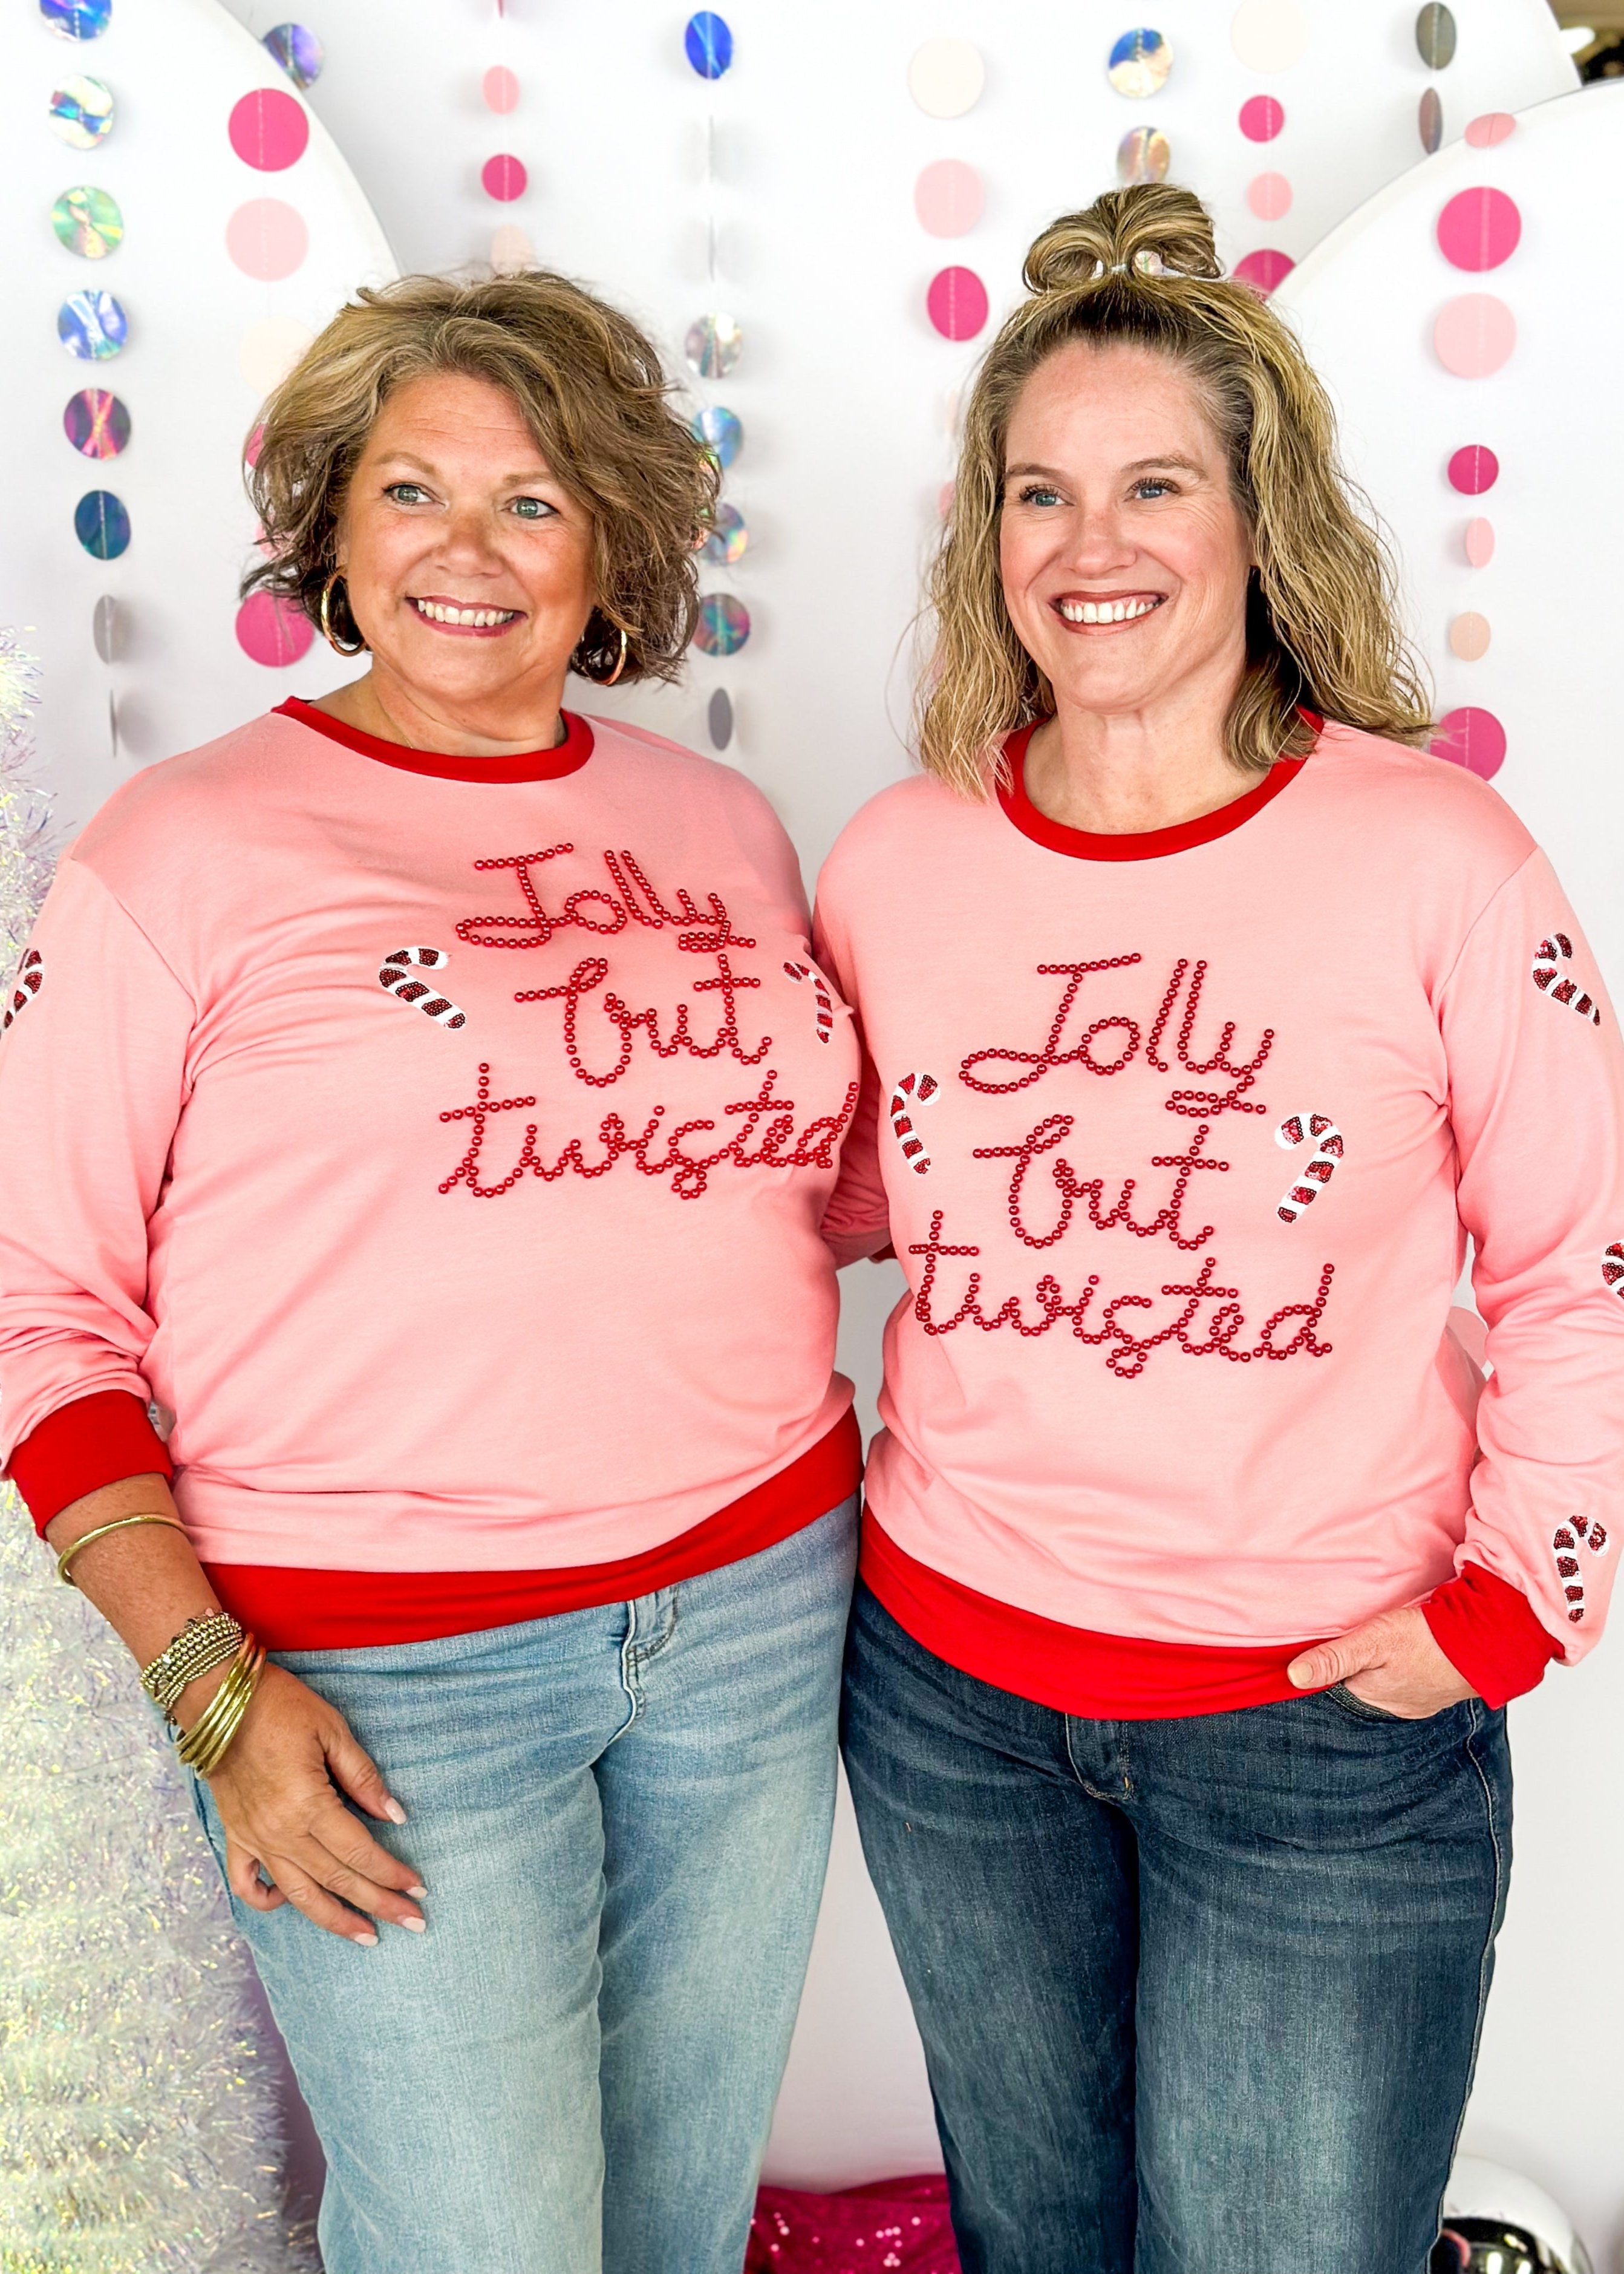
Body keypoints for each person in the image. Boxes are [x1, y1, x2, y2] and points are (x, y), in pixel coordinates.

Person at [0, 269, 863, 2274]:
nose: (467, 552)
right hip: (383, 1674)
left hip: (755, 1610)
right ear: (332, 523)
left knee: (670, 2216)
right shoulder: (177, 851)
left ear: (613, 551)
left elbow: (781, 1180)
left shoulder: (724, 824)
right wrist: (209, 1688)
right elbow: (40, 1306)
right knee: (482, 2239)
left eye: (534, 502)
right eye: (412, 491)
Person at [814, 185, 1624, 2274]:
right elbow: (827, 1205)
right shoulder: (900, 863)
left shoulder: (1438, 853)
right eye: (1041, 493)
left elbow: (1583, 1257)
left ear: (1263, 524)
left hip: (1321, 1729)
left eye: (1155, 483)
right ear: (988, 538)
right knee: (1039, 2238)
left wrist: (1512, 1609)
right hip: (952, 1702)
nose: (1095, 549)